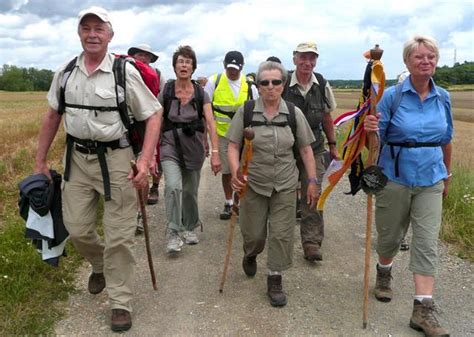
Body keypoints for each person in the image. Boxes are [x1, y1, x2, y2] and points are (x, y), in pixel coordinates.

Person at [34, 7, 161, 332]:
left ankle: (120, 302)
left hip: (119, 162)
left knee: (119, 236)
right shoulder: (65, 73)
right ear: (79, 33)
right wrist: (40, 162)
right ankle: (99, 263)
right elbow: (52, 116)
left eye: (98, 29)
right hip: (76, 159)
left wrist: (145, 161)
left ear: (110, 35)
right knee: (76, 228)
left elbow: (153, 115)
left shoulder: (124, 72)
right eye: (86, 28)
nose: (92, 34)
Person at [365, 35, 453, 337]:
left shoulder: (443, 97)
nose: (426, 61)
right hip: (396, 178)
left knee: (426, 242)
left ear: (436, 61)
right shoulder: (392, 97)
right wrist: (370, 129)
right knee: (389, 236)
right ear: (407, 62)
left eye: (431, 56)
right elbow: (375, 141)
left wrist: (448, 174)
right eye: (419, 57)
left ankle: (423, 308)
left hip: (431, 178)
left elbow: (446, 139)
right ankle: (384, 271)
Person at [227, 61, 318, 307]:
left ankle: (275, 278)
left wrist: (311, 180)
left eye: (276, 82)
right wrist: (235, 171)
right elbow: (234, 145)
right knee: (254, 234)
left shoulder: (292, 113)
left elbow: (306, 150)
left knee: (281, 233)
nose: (270, 87)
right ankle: (251, 253)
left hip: (286, 184)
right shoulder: (246, 111)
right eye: (264, 82)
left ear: (283, 84)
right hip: (253, 183)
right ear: (258, 86)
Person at [160, 45, 221, 254]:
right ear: (175, 66)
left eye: (188, 62)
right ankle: (173, 231)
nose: (184, 65)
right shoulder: (166, 91)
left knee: (189, 192)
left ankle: (189, 226)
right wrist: (149, 154)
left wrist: (214, 153)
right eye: (180, 61)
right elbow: (156, 120)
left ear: (193, 67)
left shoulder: (200, 93)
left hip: (193, 147)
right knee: (173, 187)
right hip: (169, 145)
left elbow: (211, 123)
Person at [282, 42, 339, 262]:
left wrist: (333, 145)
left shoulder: (321, 84)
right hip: (286, 147)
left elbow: (326, 117)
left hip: (314, 147)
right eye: (303, 57)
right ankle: (280, 237)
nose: (307, 62)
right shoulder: (283, 82)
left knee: (312, 192)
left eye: (312, 58)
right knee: (283, 193)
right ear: (294, 58)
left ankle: (311, 242)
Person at [205, 51, 258, 220]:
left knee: (246, 170)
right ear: (224, 65)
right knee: (227, 172)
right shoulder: (214, 82)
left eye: (236, 68)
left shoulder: (250, 86)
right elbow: (206, 112)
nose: (232, 71)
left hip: (245, 137)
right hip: (223, 136)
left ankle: (242, 202)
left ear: (242, 67)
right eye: (229, 68)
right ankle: (229, 203)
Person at [127, 43, 164, 208]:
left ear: (150, 58)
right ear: (134, 56)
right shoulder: (126, 72)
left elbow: (161, 100)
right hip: (131, 125)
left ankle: (155, 187)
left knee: (156, 159)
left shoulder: (157, 74)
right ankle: (138, 208)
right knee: (136, 165)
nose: (143, 58)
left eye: (146, 55)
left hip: (152, 121)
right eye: (139, 54)